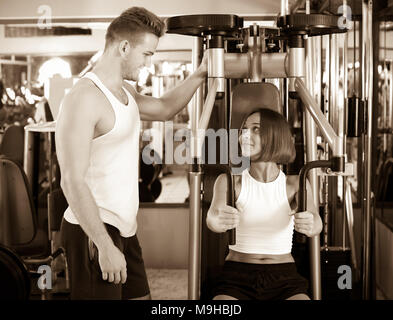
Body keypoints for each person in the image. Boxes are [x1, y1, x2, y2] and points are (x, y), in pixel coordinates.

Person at [55, 7, 207, 300]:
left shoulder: (125, 92)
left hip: (123, 227)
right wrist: (103, 244)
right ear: (124, 47)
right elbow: (71, 181)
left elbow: (164, 108)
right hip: (93, 230)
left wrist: (200, 74)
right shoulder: (83, 98)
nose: (149, 64)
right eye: (147, 54)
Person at [206, 108, 322, 300]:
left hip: (284, 276)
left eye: (256, 129)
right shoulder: (229, 181)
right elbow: (212, 217)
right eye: (244, 129)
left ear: (275, 136)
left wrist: (310, 223)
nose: (245, 135)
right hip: (236, 275)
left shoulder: (295, 184)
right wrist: (218, 220)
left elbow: (316, 222)